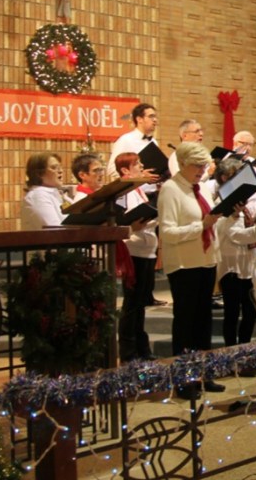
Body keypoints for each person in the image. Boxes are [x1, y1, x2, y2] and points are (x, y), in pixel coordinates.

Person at [157, 142, 224, 399]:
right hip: (184, 264)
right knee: (185, 323)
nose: (201, 170)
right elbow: (168, 233)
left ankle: (204, 375)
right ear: (183, 164)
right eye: (197, 166)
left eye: (204, 166)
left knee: (203, 321)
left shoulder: (202, 188)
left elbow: (210, 218)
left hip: (206, 259)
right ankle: (183, 381)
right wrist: (201, 225)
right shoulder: (170, 190)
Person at [212, 159, 256, 352]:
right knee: (232, 313)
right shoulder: (220, 203)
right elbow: (235, 235)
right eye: (236, 175)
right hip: (231, 265)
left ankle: (246, 350)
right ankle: (230, 353)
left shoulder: (242, 204)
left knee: (249, 312)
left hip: (247, 263)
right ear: (225, 178)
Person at [114, 152, 157, 361]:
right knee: (132, 304)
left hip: (147, 250)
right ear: (125, 170)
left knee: (140, 303)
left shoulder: (137, 189)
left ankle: (142, 347)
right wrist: (133, 225)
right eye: (137, 164)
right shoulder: (122, 191)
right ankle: (128, 351)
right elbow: (121, 220)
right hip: (134, 251)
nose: (142, 166)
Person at [106, 103, 161, 181]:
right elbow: (111, 169)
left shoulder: (154, 141)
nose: (155, 120)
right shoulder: (126, 140)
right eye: (151, 116)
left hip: (153, 190)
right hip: (135, 190)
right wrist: (139, 176)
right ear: (139, 119)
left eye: (155, 117)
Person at [21, 152, 70, 230]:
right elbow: (54, 230)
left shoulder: (55, 193)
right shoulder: (38, 195)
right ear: (39, 173)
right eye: (54, 168)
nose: (60, 171)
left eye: (60, 167)